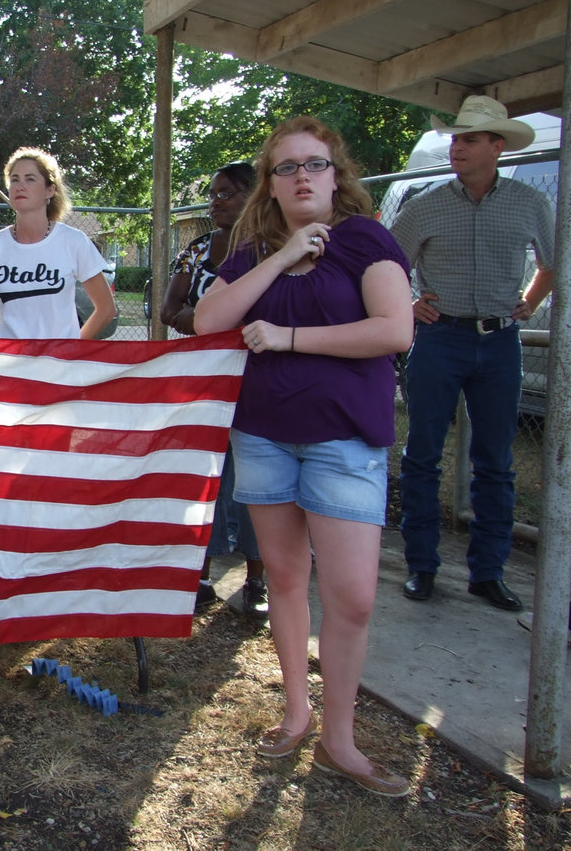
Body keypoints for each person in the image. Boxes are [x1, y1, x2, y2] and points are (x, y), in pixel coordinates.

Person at [195, 116, 414, 797]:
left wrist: (288, 337)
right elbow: (210, 320)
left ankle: (338, 741)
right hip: (262, 434)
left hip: (343, 440)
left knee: (350, 597)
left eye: (313, 164)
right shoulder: (255, 247)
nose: (300, 177)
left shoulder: (364, 241)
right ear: (271, 183)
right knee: (285, 581)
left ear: (336, 173)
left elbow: (393, 329)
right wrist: (284, 255)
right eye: (285, 167)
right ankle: (297, 713)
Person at [390, 96, 555, 612]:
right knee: (422, 456)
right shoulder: (426, 205)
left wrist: (528, 302)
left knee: (497, 463)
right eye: (455, 138)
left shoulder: (530, 202)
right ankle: (422, 566)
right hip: (441, 340)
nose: (456, 147)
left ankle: (488, 572)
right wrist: (409, 304)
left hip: (501, 343)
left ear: (497, 147)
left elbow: (552, 263)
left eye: (469, 139)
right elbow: (384, 265)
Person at [159, 162, 266, 618]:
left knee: (255, 478)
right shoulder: (196, 250)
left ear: (253, 195)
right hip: (202, 378)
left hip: (259, 379)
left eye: (226, 193)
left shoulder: (270, 251)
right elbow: (169, 309)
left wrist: (207, 321)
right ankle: (197, 574)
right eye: (212, 193)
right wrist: (212, 323)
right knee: (202, 473)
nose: (215, 201)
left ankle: (257, 580)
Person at [0, 147, 116, 339]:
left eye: (30, 179)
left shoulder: (74, 242)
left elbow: (106, 309)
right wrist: (6, 349)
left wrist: (71, 348)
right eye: (14, 179)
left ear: (50, 190)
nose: (20, 186)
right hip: (12, 366)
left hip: (59, 365)